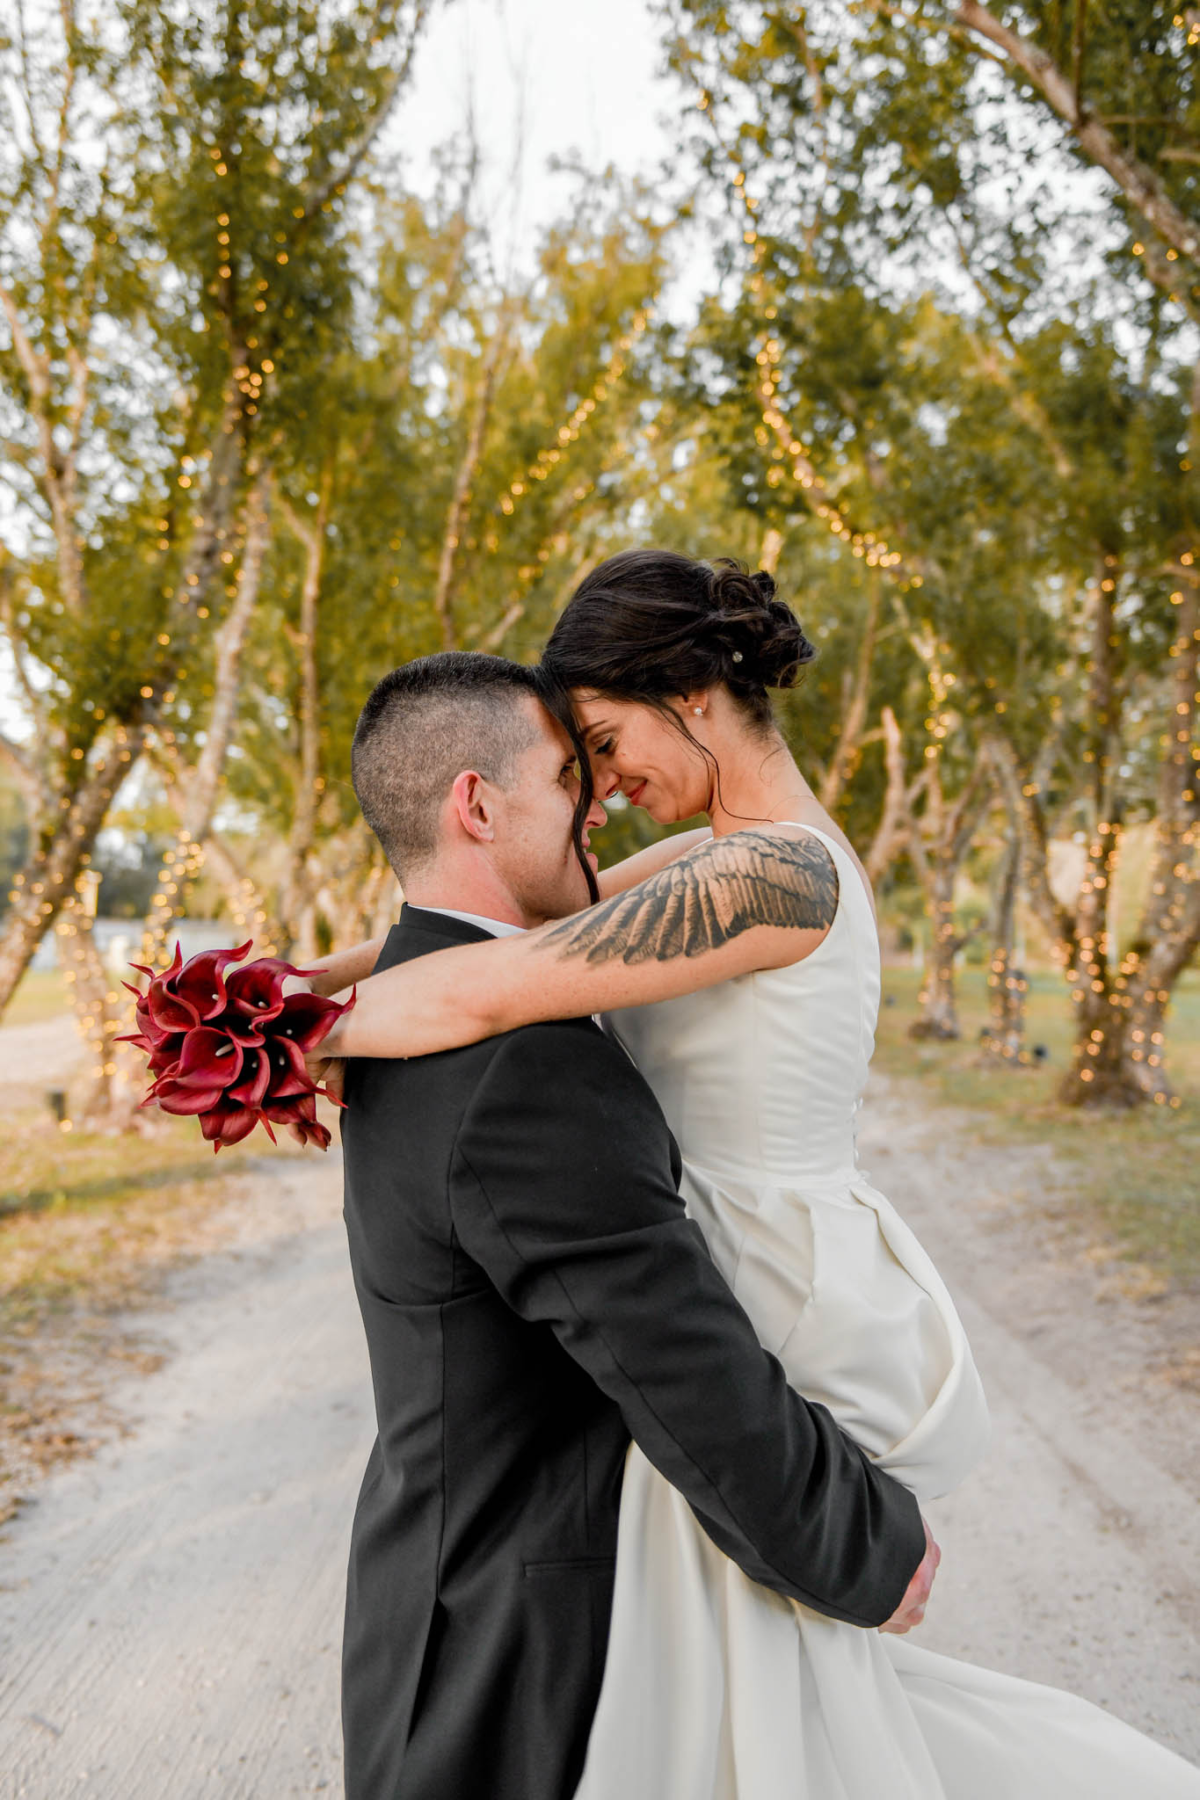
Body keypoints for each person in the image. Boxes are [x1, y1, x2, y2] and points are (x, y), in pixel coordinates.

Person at [315, 554, 1200, 1799]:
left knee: (745, 1673)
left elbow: (498, 979)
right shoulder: (712, 862)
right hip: (714, 1240)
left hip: (779, 1268)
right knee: (765, 1693)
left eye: (607, 743)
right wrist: (271, 988)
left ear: (690, 691)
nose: (607, 792)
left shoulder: (781, 875)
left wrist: (297, 1038)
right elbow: (509, 932)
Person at [334, 649, 933, 1800]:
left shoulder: (410, 1001)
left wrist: (290, 1000)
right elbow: (677, 1357)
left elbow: (543, 949)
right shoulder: (514, 1065)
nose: (593, 803)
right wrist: (869, 1551)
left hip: (430, 1586)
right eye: (573, 770)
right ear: (477, 803)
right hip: (526, 1657)